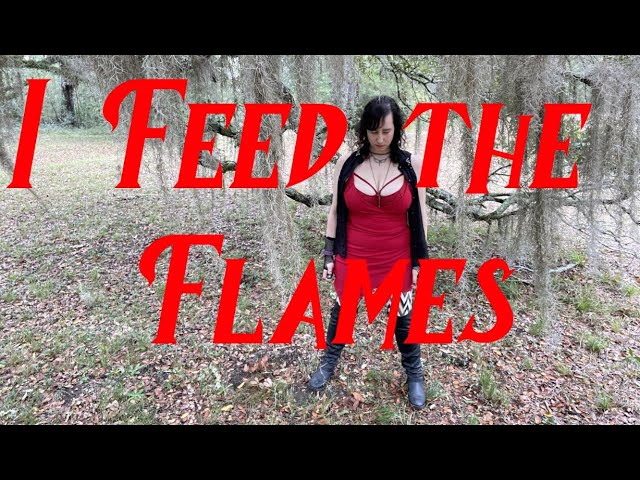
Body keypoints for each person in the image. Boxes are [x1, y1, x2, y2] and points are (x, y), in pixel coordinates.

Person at [309, 95, 429, 409]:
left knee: (403, 318)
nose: (379, 138)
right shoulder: (347, 163)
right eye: (374, 131)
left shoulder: (411, 165)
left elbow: (421, 216)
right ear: (364, 130)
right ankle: (328, 363)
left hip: (397, 254)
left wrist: (420, 261)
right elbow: (335, 211)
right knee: (342, 313)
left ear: (396, 129)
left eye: (386, 131)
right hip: (354, 252)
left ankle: (414, 374)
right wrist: (329, 254)